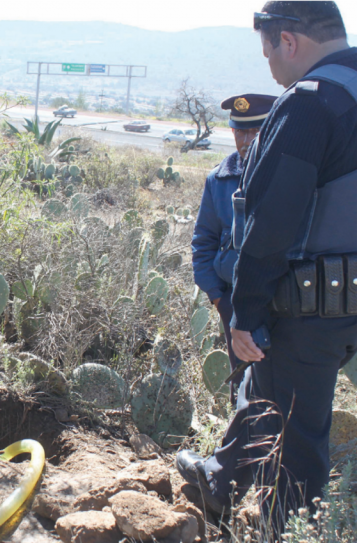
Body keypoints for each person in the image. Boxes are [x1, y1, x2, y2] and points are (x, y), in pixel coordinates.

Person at [177, 1, 357, 534]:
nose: (271, 69)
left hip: (307, 306)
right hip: (348, 298)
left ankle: (288, 530)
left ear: (290, 41)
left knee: (297, 445)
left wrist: (246, 310)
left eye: (268, 54)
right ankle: (219, 482)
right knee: (265, 392)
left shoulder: (309, 103)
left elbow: (276, 218)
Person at [191, 93, 277, 403]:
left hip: (280, 300)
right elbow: (203, 244)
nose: (247, 140)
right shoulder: (220, 179)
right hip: (233, 300)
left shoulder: (289, 175)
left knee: (281, 382)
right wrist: (218, 299)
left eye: (256, 131)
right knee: (241, 381)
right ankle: (241, 441)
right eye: (240, 131)